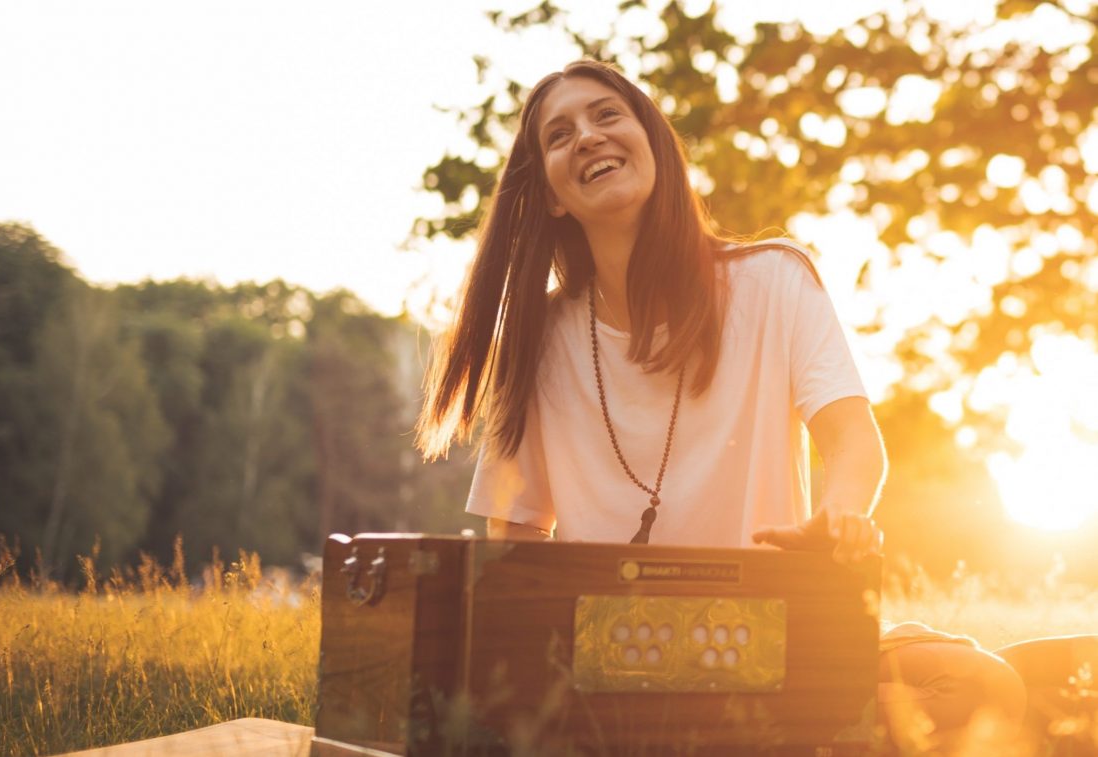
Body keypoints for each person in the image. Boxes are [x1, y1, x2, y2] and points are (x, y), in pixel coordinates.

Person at [416, 59, 1081, 751]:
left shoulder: (773, 280)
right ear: (552, 196)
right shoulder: (536, 342)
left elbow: (854, 443)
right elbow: (515, 543)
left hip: (775, 636)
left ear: (654, 143)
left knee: (981, 687)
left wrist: (840, 519)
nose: (587, 135)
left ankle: (900, 693)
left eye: (607, 115)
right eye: (559, 134)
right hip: (615, 666)